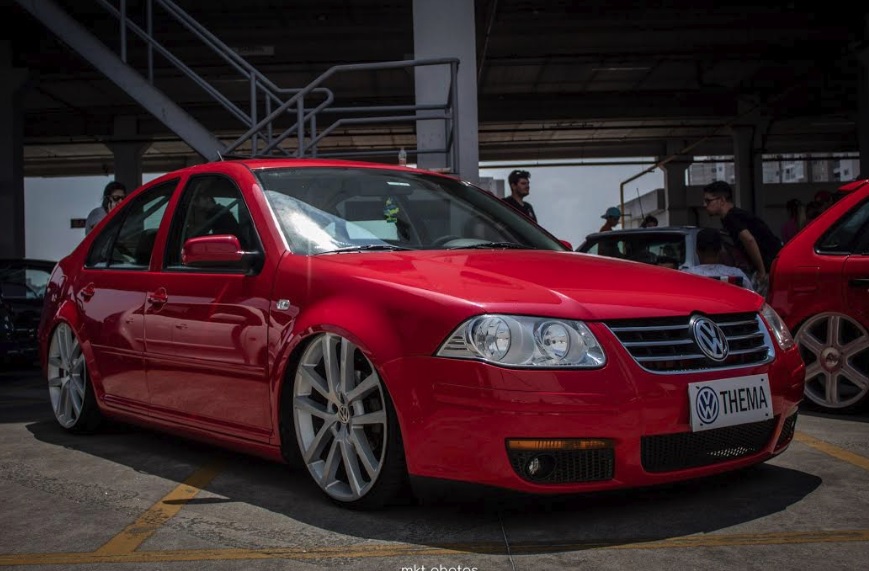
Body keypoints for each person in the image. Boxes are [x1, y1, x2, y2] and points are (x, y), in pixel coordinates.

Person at [702, 180, 781, 296]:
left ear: (722, 200)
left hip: (771, 267)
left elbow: (748, 240)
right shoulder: (735, 216)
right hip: (773, 265)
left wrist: (761, 270)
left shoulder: (731, 217)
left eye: (708, 201)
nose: (704, 205)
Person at [684, 227, 754, 290]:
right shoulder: (738, 276)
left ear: (697, 251)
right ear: (720, 251)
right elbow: (752, 298)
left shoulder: (685, 276)